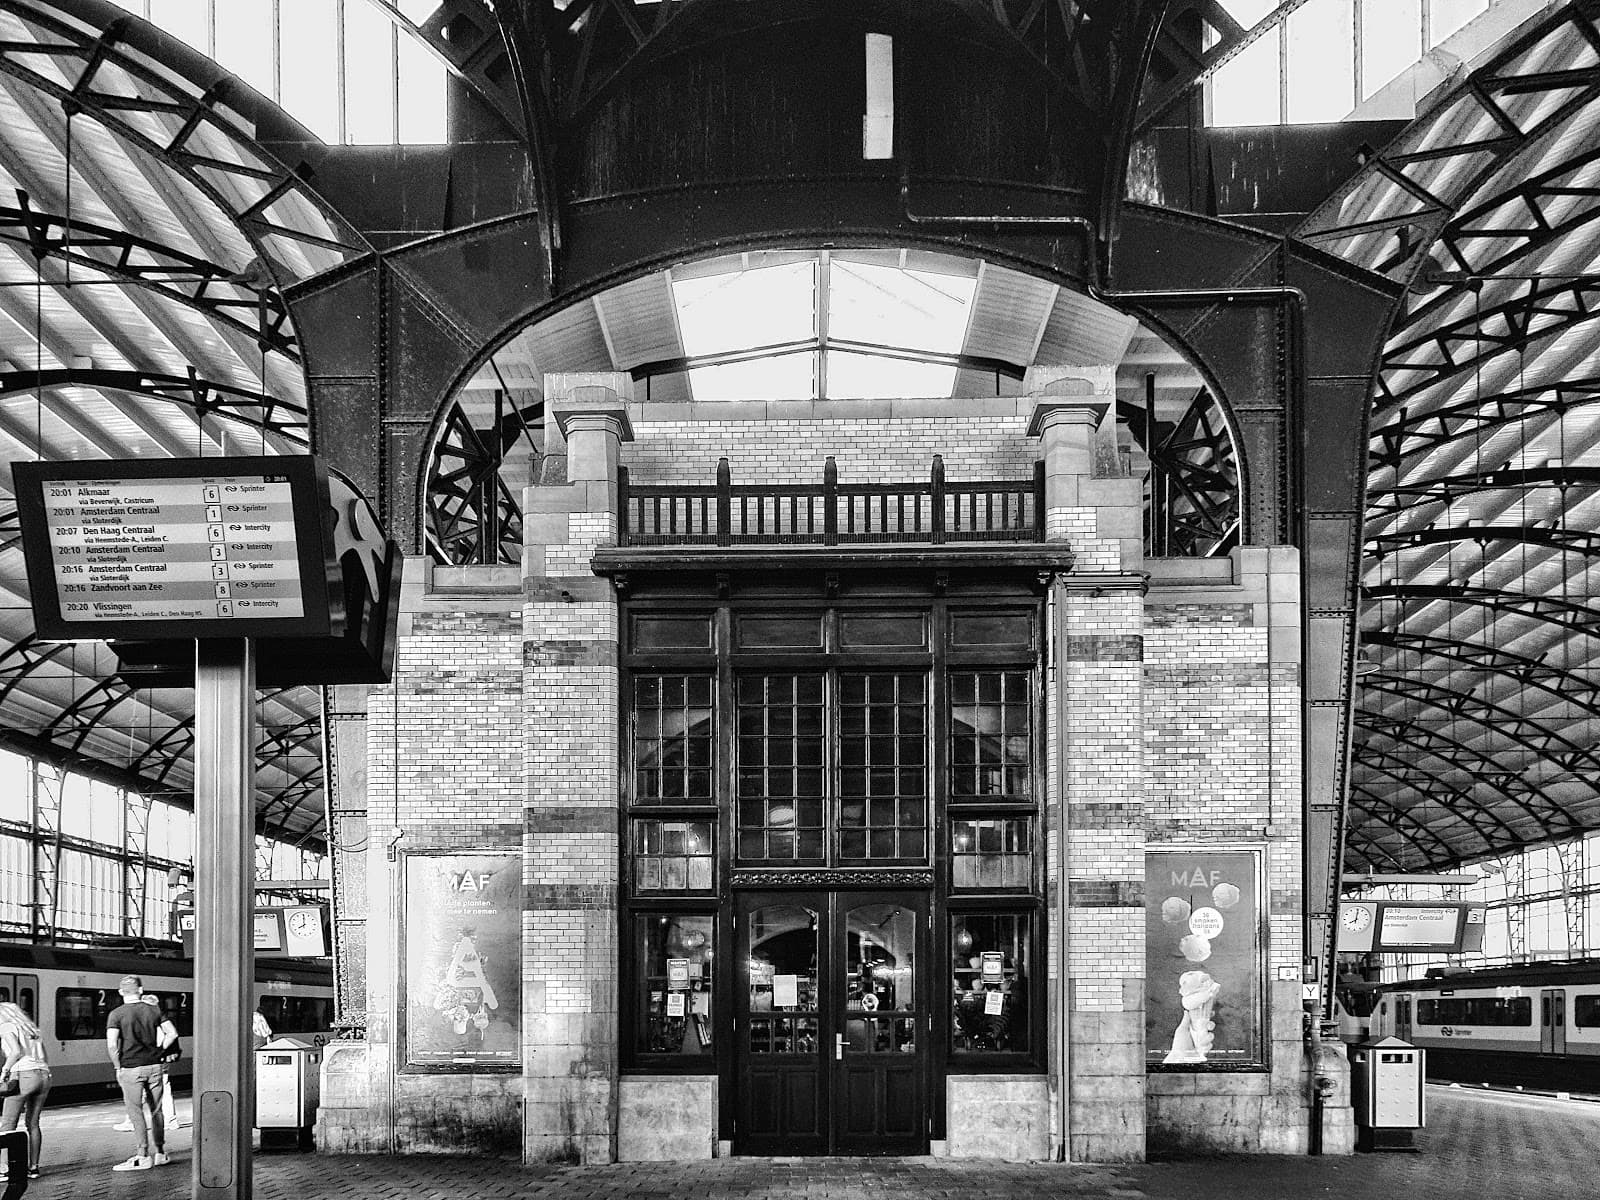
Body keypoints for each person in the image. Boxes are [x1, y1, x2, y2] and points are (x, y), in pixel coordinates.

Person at [104, 975, 170, 1171]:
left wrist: (117, 1067)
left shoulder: (116, 1014)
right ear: (141, 991)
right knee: (157, 1110)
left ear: (120, 992)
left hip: (130, 1068)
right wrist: (160, 1051)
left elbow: (111, 1045)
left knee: (135, 1111)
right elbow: (172, 1033)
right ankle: (160, 1152)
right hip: (154, 1066)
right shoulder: (154, 1010)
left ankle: (142, 1156)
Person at [114, 995, 181, 1131]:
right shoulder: (160, 1018)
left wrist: (158, 1050)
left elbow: (170, 1035)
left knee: (139, 1091)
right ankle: (171, 1120)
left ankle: (132, 1121)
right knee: (165, 1090)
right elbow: (172, 1034)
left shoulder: (151, 1021)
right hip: (161, 1060)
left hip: (150, 1060)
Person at [0, 1001, 50, 1179]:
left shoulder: (6, 1026)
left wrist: (5, 1071)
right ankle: (34, 1167)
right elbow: (44, 1055)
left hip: (23, 1075)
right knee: (33, 1124)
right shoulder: (32, 1030)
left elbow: (15, 1052)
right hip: (44, 1076)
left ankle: (4, 1169)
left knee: (8, 1124)